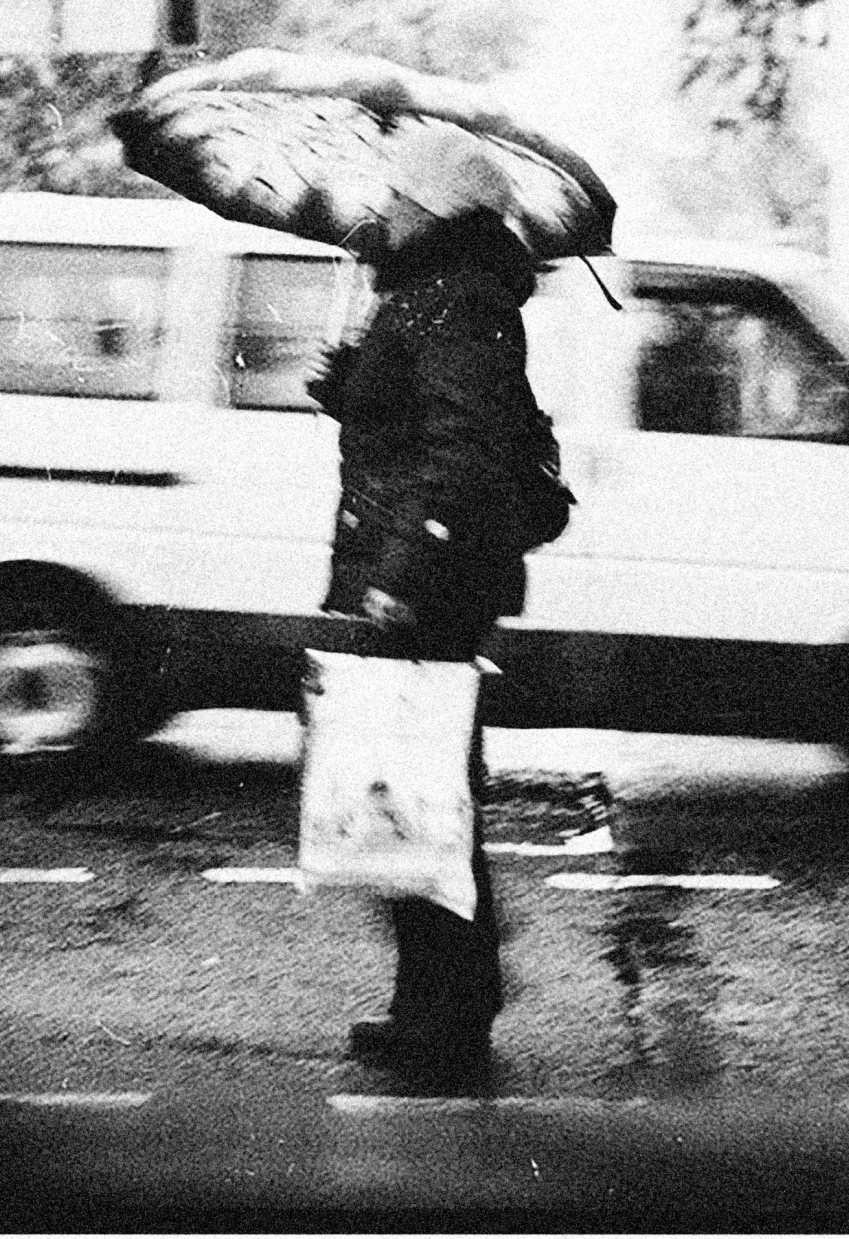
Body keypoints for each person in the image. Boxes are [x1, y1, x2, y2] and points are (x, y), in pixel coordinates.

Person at [305, 118, 561, 1090]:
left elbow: (457, 455)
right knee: (411, 794)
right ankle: (437, 1001)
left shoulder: (455, 301)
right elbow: (419, 428)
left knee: (417, 794)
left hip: (425, 588)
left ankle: (453, 1007)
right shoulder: (430, 296)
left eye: (401, 194)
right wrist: (349, 392)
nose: (386, 206)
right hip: (414, 577)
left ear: (438, 208)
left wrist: (398, 578)